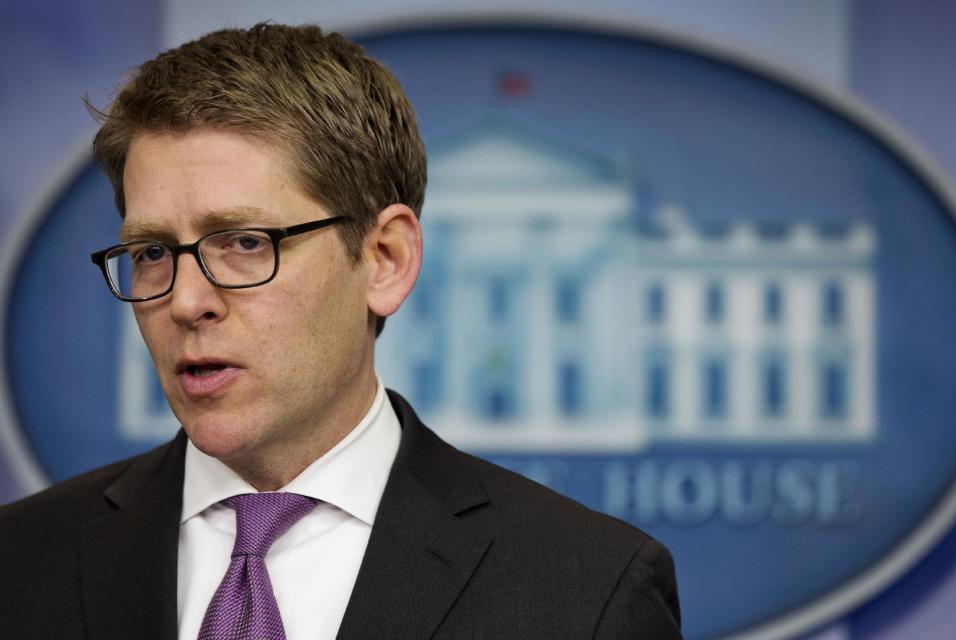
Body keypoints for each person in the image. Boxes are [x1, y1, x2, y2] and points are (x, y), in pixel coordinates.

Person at [0, 23, 681, 639]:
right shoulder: (18, 563)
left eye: (243, 242)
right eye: (151, 252)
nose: (185, 301)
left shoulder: (588, 591)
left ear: (384, 260)